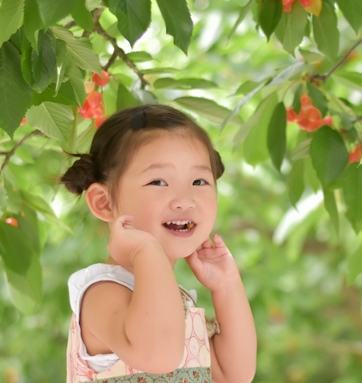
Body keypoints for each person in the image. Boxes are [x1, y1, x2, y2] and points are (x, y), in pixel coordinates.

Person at [60, 105, 257, 383]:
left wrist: (226, 286)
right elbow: (159, 357)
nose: (184, 199)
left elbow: (233, 375)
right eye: (159, 181)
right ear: (104, 202)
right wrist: (145, 250)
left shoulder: (174, 300)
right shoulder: (102, 292)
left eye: (199, 181)